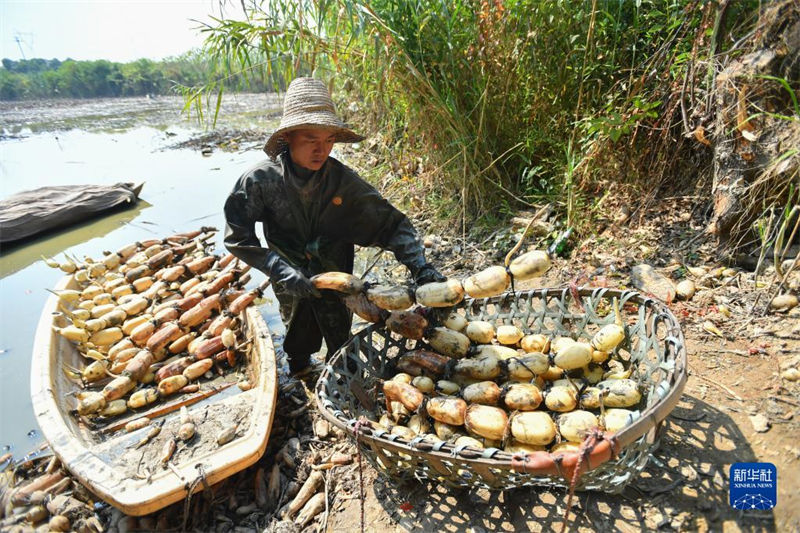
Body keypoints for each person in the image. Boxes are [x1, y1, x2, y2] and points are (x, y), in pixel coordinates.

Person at [224, 77, 445, 375]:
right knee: (296, 335)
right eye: (311, 140)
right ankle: (300, 369)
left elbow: (391, 225)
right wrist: (280, 269)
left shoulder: (344, 182)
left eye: (328, 140)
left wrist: (420, 266)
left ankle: (344, 374)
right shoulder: (260, 181)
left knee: (339, 332)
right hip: (289, 277)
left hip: (337, 274)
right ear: (289, 137)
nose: (322, 150)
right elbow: (238, 237)